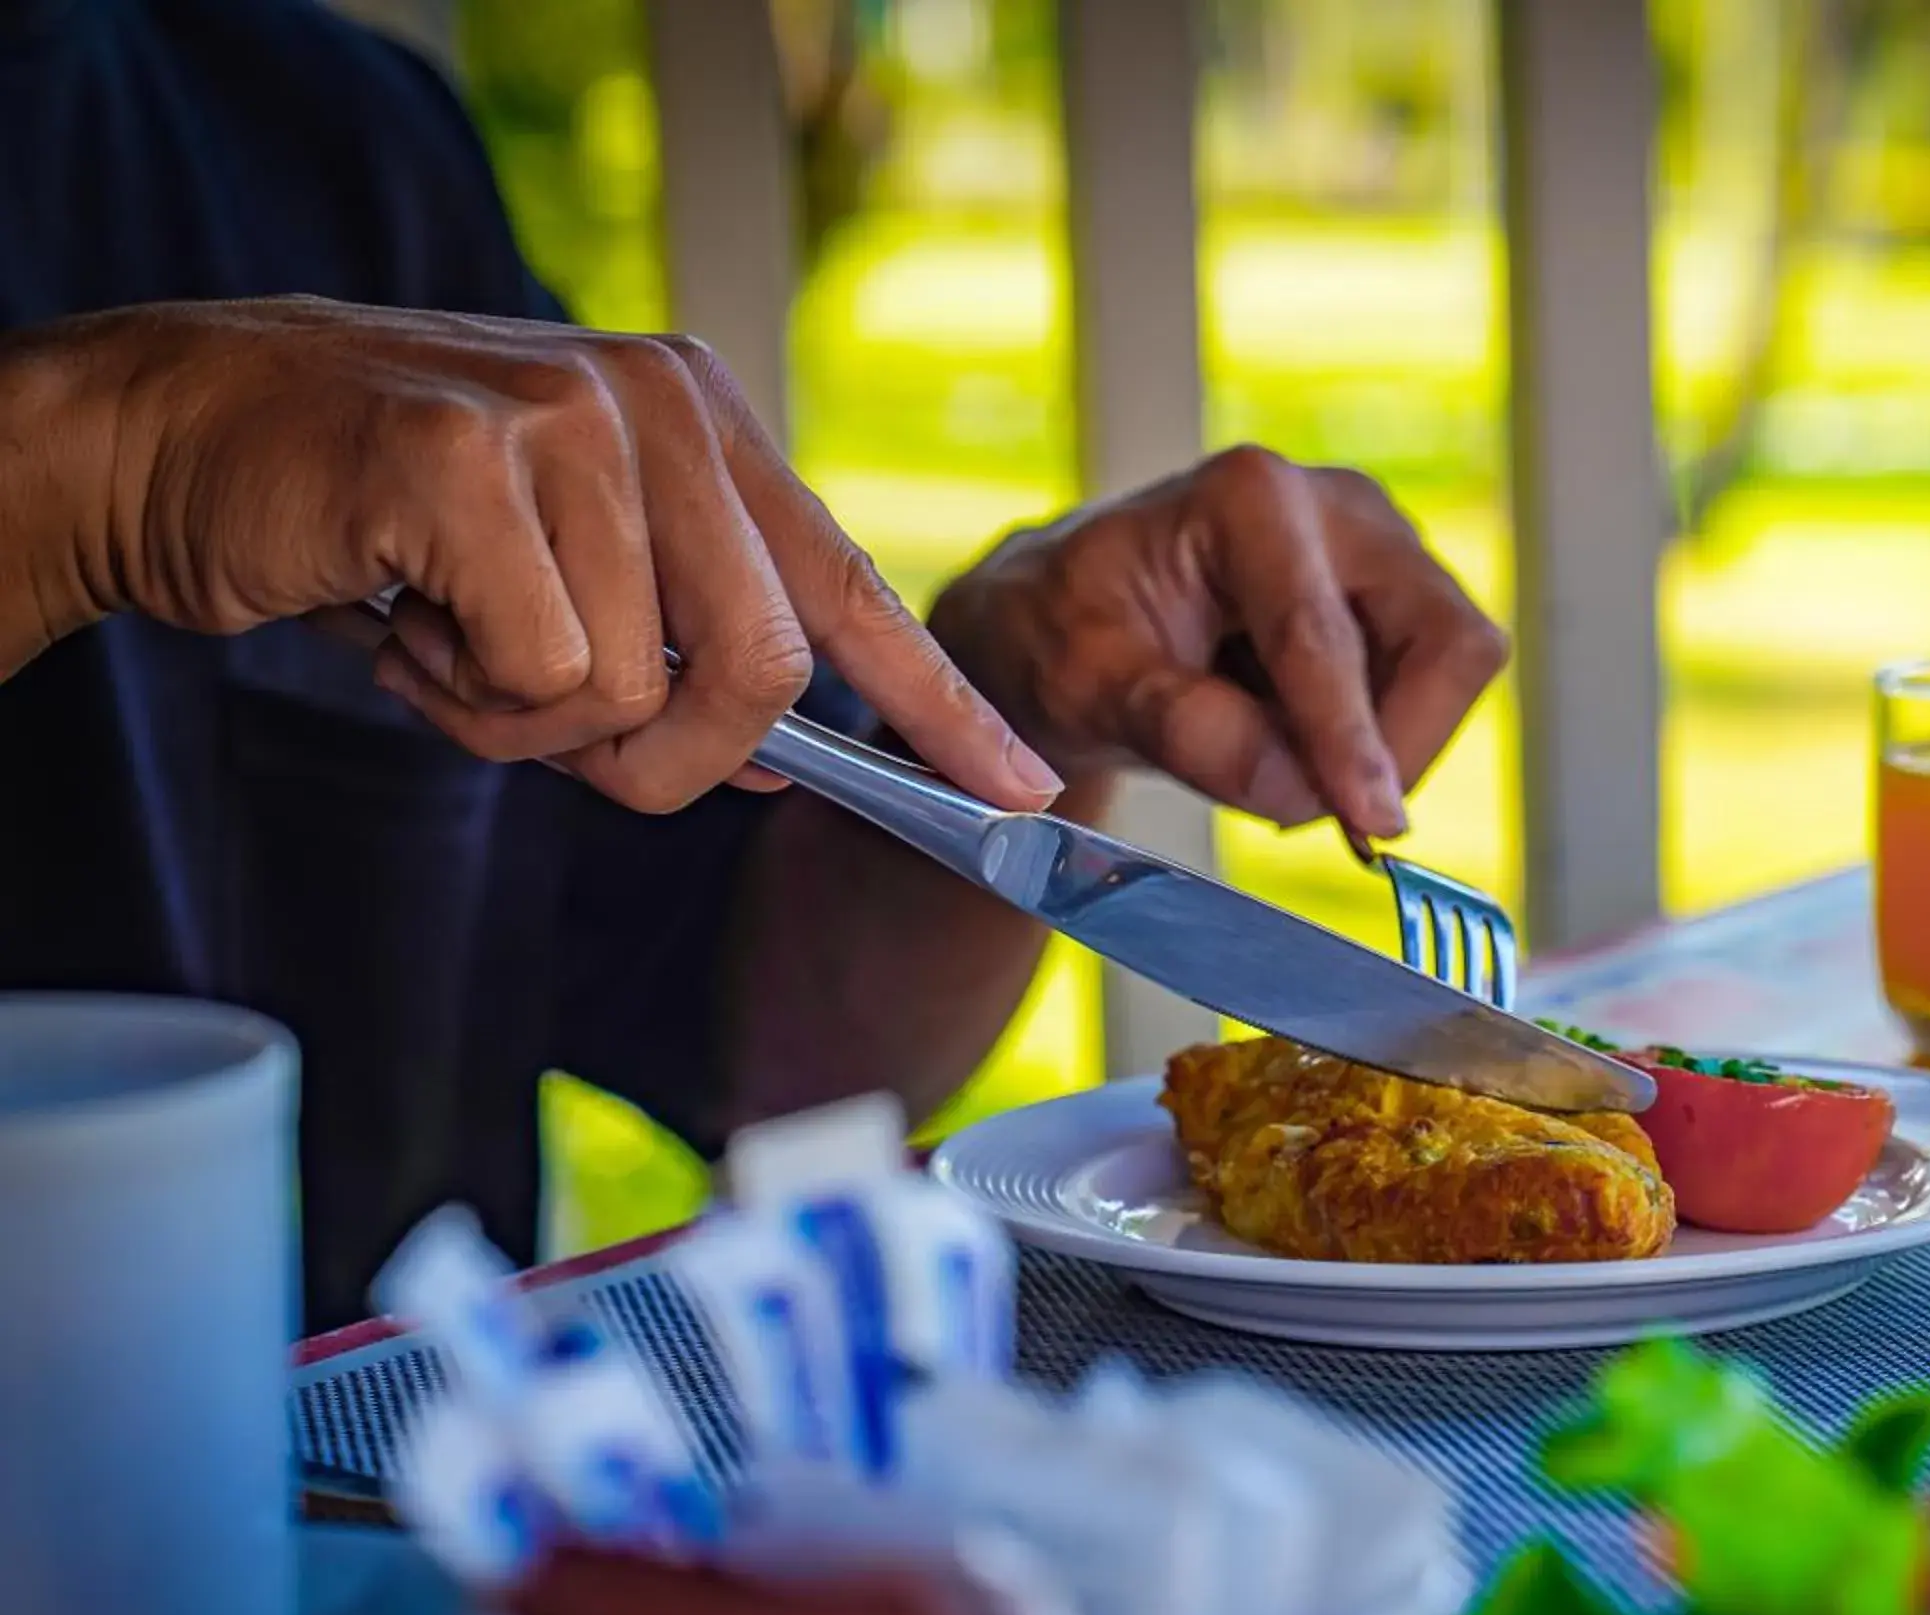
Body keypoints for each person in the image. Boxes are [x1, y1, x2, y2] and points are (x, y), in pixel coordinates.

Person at [0, 0, 1507, 1323]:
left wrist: (1004, 692)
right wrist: (85, 477)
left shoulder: (323, 138)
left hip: (397, 1516)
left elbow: (760, 1038)